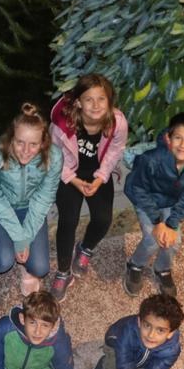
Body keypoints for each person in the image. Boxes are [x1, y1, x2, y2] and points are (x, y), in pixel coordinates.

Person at [48, 75, 128, 302]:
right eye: (89, 99)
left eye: (101, 99)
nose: (95, 105)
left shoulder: (117, 122)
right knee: (68, 221)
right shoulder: (63, 125)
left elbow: (115, 150)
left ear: (109, 100)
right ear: (78, 102)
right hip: (69, 173)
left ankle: (85, 248)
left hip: (95, 173)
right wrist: (72, 180)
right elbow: (54, 157)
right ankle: (63, 271)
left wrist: (101, 177)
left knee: (103, 218)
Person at [0, 103, 62, 305]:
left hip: (30, 207)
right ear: (10, 137)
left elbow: (44, 196)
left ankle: (25, 265)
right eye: (19, 142)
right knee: (3, 260)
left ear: (43, 142)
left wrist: (26, 235)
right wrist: (19, 237)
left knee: (40, 268)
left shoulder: (55, 157)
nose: (25, 151)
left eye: (33, 144)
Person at [123, 112, 184, 298]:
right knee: (152, 239)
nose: (183, 145)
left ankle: (162, 268)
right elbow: (137, 188)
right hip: (148, 200)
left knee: (173, 240)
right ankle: (135, 264)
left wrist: (171, 223)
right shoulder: (151, 159)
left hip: (172, 202)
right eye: (178, 138)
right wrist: (157, 222)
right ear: (168, 138)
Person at [88, 294, 183, 369]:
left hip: (141, 357)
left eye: (160, 330)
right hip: (117, 348)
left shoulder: (172, 350)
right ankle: (105, 363)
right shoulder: (127, 332)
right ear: (139, 321)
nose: (151, 335)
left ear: (171, 333)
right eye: (147, 325)